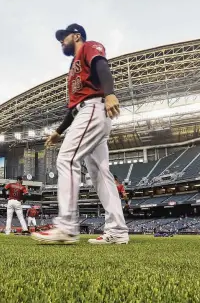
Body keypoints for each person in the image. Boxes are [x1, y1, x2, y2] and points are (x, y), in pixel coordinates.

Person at [32, 24, 129, 245]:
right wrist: (58, 131)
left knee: (66, 159)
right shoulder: (72, 68)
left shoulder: (88, 47)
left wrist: (110, 93)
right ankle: (118, 232)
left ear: (76, 35)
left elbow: (102, 67)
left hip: (94, 108)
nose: (61, 42)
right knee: (100, 174)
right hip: (86, 111)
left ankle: (66, 227)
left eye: (63, 37)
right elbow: (73, 107)